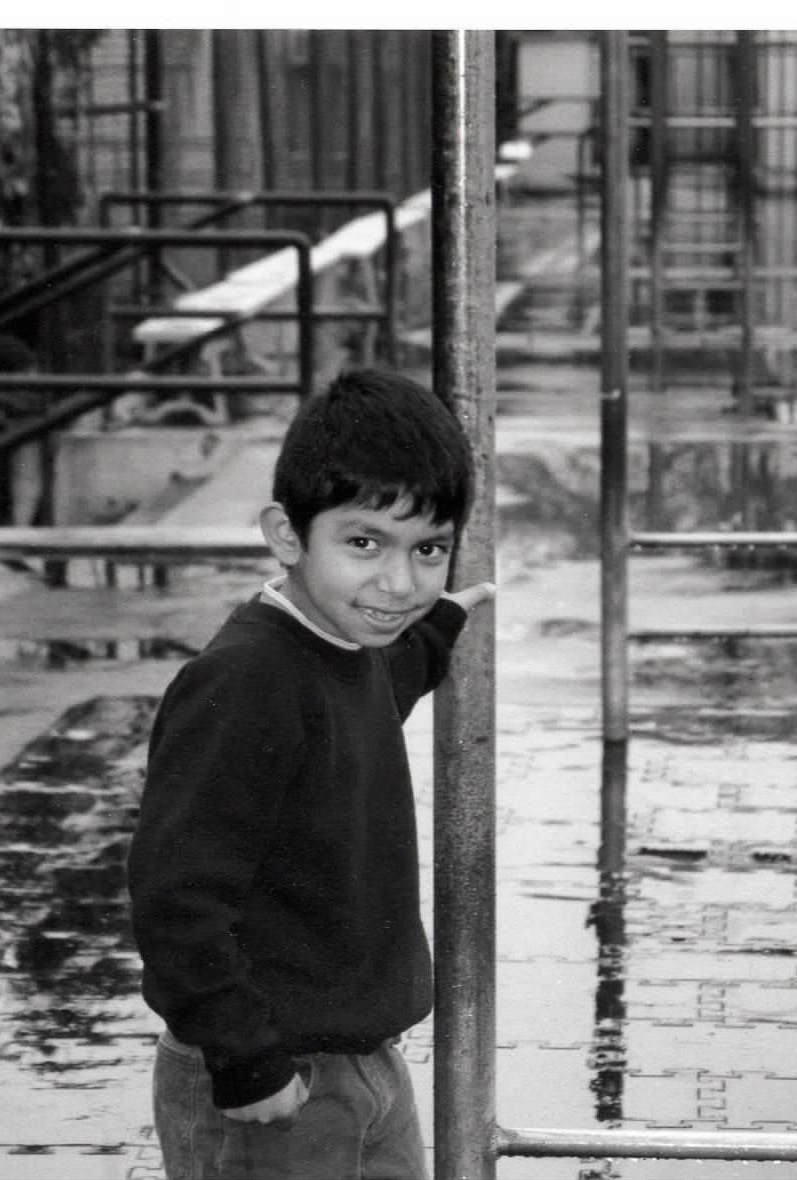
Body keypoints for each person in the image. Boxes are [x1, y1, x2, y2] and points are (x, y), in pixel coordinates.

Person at [127, 368, 494, 1179]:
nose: (398, 582)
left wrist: (437, 627)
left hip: (364, 1062)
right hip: (272, 1076)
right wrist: (243, 1058)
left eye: (427, 550)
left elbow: (380, 688)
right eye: (364, 543)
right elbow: (175, 895)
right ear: (287, 535)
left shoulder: (347, 649)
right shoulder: (244, 681)